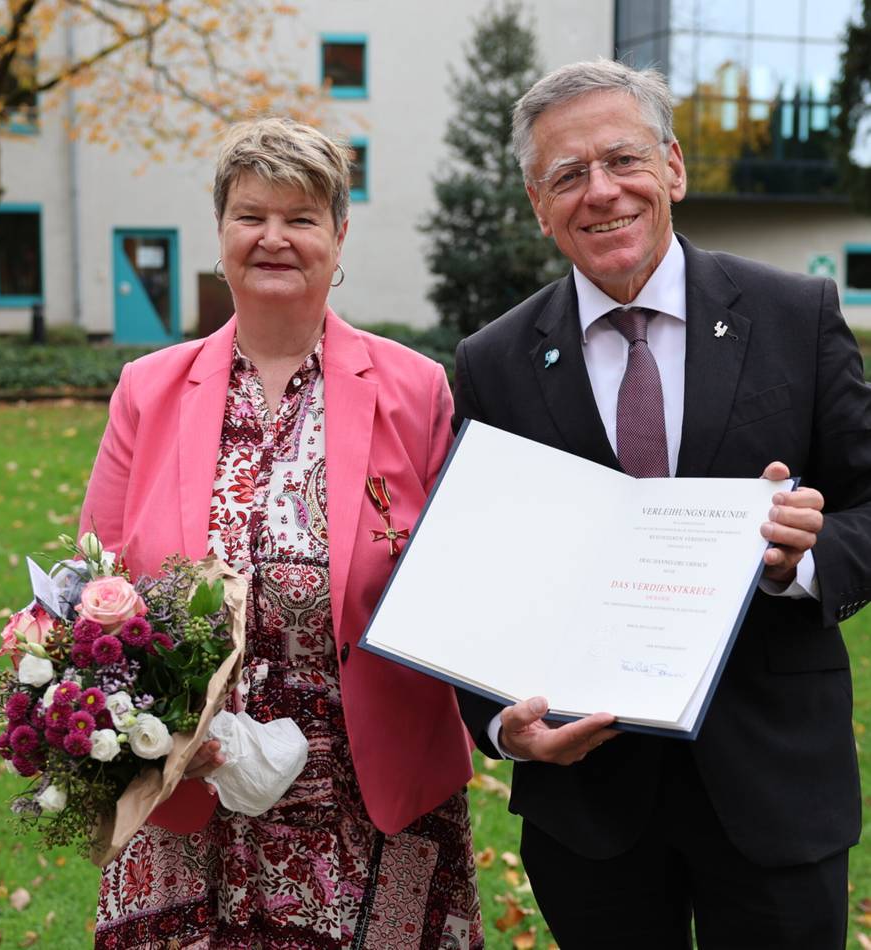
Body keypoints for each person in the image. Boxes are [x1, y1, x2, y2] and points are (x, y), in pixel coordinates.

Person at [453, 59, 871, 949]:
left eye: (623, 159)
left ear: (673, 167)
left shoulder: (795, 315)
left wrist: (805, 559)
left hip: (774, 787)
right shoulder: (493, 362)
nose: (602, 191)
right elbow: (469, 568)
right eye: (569, 174)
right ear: (539, 205)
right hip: (588, 807)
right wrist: (502, 728)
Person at [82, 117, 483, 949]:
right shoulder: (147, 390)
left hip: (370, 796)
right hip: (187, 792)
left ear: (339, 238)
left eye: (300, 218)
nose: (274, 238)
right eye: (251, 215)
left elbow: (460, 585)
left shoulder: (415, 388)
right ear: (220, 233)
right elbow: (95, 597)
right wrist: (158, 733)